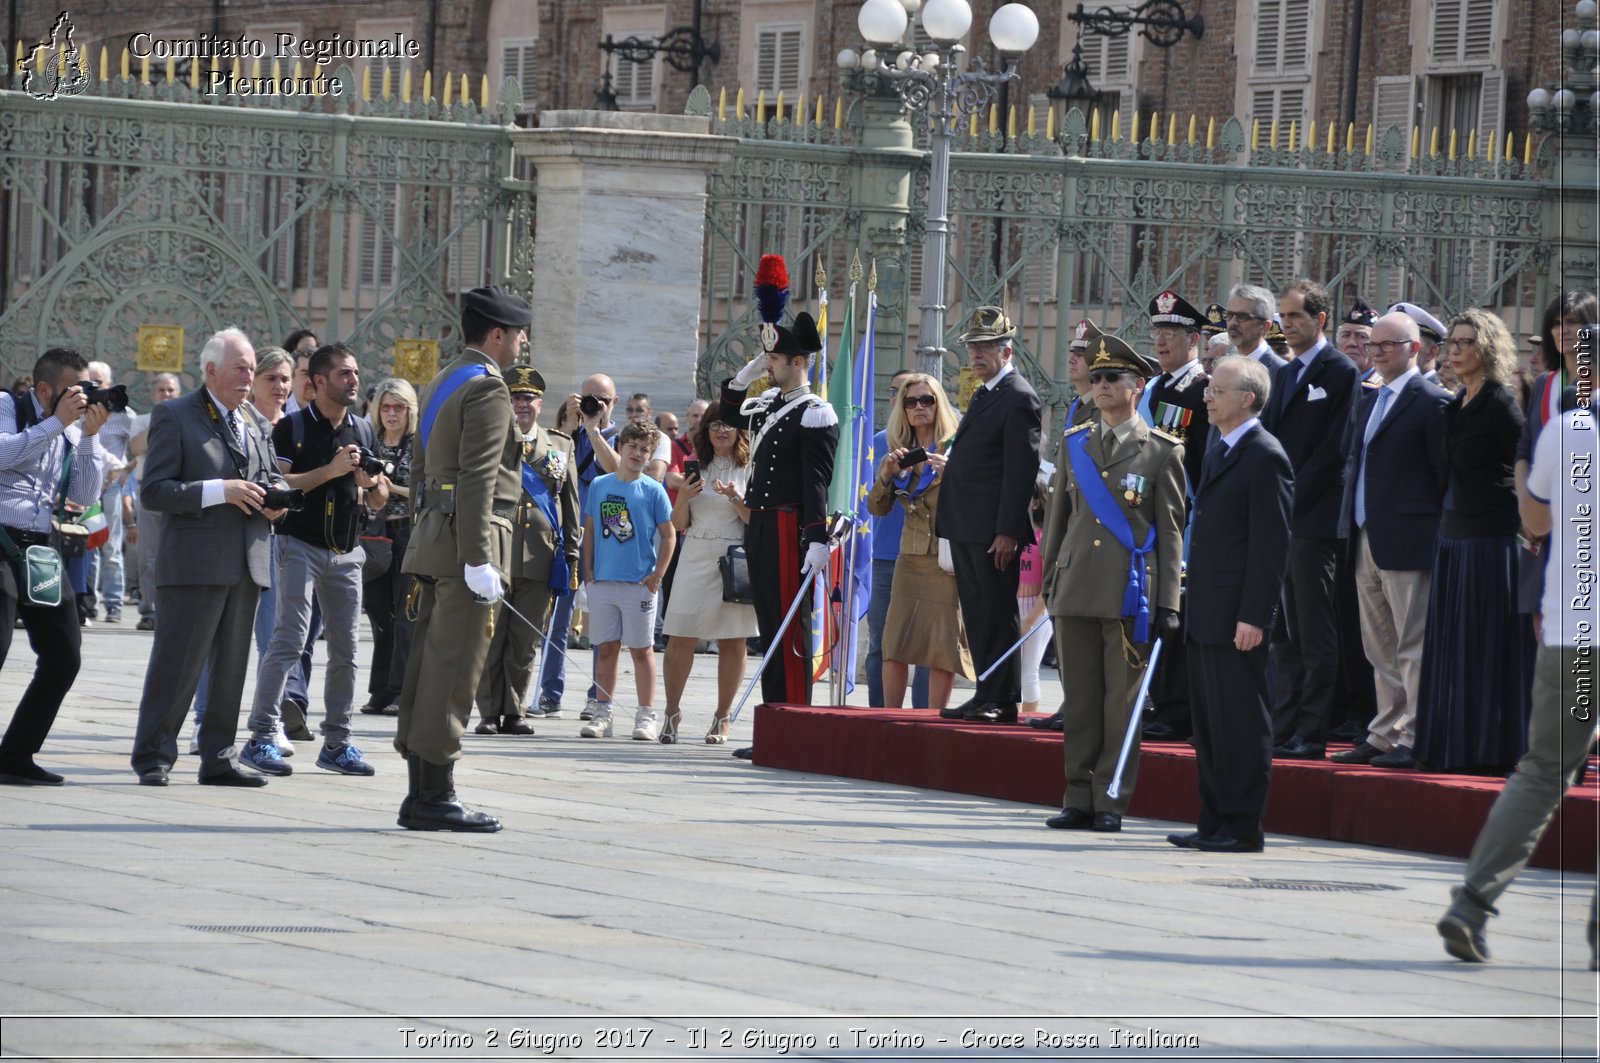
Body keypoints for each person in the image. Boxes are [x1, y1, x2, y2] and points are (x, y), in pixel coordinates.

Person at [1437, 390, 1598, 968]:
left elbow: (1534, 519)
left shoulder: (1570, 428)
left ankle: (1472, 904)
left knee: (1543, 770)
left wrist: (1528, 462)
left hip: (1575, 632)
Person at [394, 285, 530, 833]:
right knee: (454, 673)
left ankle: (420, 792)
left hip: (433, 539)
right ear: (497, 335)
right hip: (470, 544)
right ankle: (436, 795)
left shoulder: (444, 381)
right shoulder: (490, 389)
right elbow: (477, 477)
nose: (521, 344)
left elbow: (421, 473)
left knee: (429, 667)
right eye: (518, 334)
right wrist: (479, 557)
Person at [1040, 334, 1185, 833]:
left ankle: (1110, 800)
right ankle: (1077, 796)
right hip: (1076, 585)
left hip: (1130, 593)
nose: (1100, 386)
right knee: (1079, 702)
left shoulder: (1162, 452)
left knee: (1119, 704)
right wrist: (1049, 581)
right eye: (1096, 378)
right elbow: (1059, 520)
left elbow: (1169, 533)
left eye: (1112, 378)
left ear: (1136, 386)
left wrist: (1168, 601)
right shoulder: (1074, 443)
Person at [129, 329, 286, 788]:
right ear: (211, 370)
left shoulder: (254, 420)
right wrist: (221, 491)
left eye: (252, 369)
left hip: (247, 561)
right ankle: (154, 756)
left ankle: (218, 758)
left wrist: (276, 501)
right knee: (177, 665)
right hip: (194, 565)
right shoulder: (174, 415)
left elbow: (269, 475)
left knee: (232, 668)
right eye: (240, 368)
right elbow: (154, 491)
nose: (249, 377)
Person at [242, 343, 389, 779]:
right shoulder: (291, 428)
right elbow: (278, 483)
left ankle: (338, 742)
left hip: (347, 550)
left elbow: (377, 496)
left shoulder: (362, 429)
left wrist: (372, 483)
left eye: (356, 372)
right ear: (318, 382)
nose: (354, 380)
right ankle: (262, 736)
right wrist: (330, 470)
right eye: (344, 373)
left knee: (346, 651)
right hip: (298, 545)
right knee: (289, 639)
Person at [1167, 354, 1293, 853]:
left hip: (1237, 617)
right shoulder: (1221, 447)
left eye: (1217, 390)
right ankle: (1213, 819)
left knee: (1240, 722)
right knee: (1212, 725)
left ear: (1246, 398)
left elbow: (1270, 544)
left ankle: (1242, 827)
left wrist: (1254, 616)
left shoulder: (1265, 454)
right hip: (1207, 612)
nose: (1207, 397)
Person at [1329, 312, 1451, 768]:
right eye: (1374, 345)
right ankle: (1384, 732)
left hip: (1409, 540)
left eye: (1388, 345)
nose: (1376, 352)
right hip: (1366, 535)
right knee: (1377, 642)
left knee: (1411, 642)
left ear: (1415, 349)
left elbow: (1442, 478)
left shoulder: (1432, 400)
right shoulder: (1370, 398)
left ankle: (1415, 735)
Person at [1414, 308, 1533, 774]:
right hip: (1453, 539)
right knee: (1453, 651)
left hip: (1490, 544)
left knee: (1486, 652)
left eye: (1466, 342)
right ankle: (1453, 746)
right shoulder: (1455, 402)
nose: (1456, 350)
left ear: (1486, 348)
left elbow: (1524, 468)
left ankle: (1491, 750)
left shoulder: (1501, 403)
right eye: (1453, 343)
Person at [720, 300, 839, 728]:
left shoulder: (815, 413)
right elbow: (728, 414)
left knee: (789, 628)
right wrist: (742, 378)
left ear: (799, 361)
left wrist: (816, 537)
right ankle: (775, 722)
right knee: (770, 623)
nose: (767, 364)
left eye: (773, 358)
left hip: (790, 525)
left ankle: (793, 723)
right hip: (762, 523)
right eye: (765, 357)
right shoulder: (770, 402)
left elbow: (816, 482)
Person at [0, 347, 109, 785]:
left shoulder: (69, 428)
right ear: (45, 389)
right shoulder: (8, 407)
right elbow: (4, 455)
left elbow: (84, 494)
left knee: (64, 656)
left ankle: (15, 754)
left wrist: (89, 436)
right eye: (73, 392)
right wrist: (57, 423)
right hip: (1, 537)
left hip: (41, 546)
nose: (80, 400)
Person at [1261, 279, 1359, 760]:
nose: (1287, 323)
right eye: (1283, 315)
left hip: (1316, 521)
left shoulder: (1340, 371)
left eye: (1296, 315)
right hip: (1281, 520)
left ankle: (1313, 730)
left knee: (1315, 631)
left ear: (1321, 319)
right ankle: (1285, 724)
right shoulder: (1283, 373)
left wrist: (1290, 495)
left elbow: (1334, 451)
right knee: (1285, 631)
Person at [935, 306, 1041, 724]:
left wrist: (1008, 531)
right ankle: (985, 691)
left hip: (992, 531)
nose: (976, 356)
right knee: (978, 615)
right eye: (973, 348)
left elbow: (1020, 473)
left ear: (1007, 350)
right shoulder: (986, 392)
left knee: (997, 613)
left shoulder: (1019, 396)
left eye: (985, 348)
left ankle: (1003, 698)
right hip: (967, 524)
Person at [189, 347, 294, 754]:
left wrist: (279, 498)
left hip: (268, 542)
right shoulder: (229, 419)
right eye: (270, 378)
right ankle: (204, 723)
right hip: (226, 542)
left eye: (284, 379)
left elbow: (272, 477)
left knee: (273, 638)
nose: (279, 387)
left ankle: (267, 723)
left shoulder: (268, 425)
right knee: (215, 640)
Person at [474, 366, 579, 735]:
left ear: (540, 403)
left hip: (540, 556)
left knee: (525, 640)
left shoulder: (560, 446)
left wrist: (572, 558)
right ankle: (488, 711)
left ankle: (515, 709)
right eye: (515, 397)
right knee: (491, 636)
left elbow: (570, 507)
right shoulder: (490, 440)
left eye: (528, 398)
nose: (522, 405)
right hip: (495, 554)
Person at [866, 373, 973, 713]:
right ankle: (889, 719)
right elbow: (876, 508)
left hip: (945, 560)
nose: (919, 407)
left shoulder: (957, 446)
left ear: (939, 404)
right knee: (893, 644)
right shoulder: (900, 450)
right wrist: (885, 476)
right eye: (911, 402)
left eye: (927, 400)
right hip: (909, 558)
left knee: (941, 649)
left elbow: (978, 500)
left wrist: (952, 474)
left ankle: (933, 720)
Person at [661, 401, 758, 742]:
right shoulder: (695, 465)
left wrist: (736, 499)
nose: (721, 430)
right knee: (680, 636)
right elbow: (679, 523)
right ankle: (671, 713)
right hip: (696, 553)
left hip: (734, 557)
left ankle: (722, 717)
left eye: (728, 424)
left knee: (733, 641)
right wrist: (683, 497)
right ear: (706, 429)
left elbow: (754, 523)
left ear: (739, 430)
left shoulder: (750, 467)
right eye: (715, 424)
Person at [577, 420, 675, 740]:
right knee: (606, 647)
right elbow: (590, 530)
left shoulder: (653, 489)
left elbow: (668, 534)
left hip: (638, 583)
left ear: (650, 455)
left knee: (641, 649)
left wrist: (657, 574)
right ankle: (602, 711)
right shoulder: (600, 485)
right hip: (603, 579)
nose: (637, 453)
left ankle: (645, 715)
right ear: (620, 447)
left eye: (644, 449)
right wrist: (588, 570)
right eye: (632, 446)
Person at [539, 373, 621, 721]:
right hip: (568, 534)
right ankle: (549, 693)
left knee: (602, 623)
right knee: (557, 617)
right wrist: (571, 428)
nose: (595, 404)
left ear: (613, 403)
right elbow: (550, 475)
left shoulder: (619, 436)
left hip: (606, 533)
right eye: (589, 397)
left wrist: (593, 430)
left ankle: (598, 697)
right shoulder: (564, 437)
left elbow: (615, 469)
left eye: (602, 399)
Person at [866, 369, 931, 710]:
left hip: (930, 557)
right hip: (887, 554)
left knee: (928, 647)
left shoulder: (944, 446)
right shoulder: (880, 442)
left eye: (924, 399)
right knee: (880, 643)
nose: (912, 404)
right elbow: (872, 502)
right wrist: (888, 475)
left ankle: (924, 720)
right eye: (903, 396)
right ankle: (880, 717)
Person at [364, 377, 423, 718]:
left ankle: (402, 690)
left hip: (407, 532)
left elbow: (422, 489)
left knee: (406, 616)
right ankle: (380, 690)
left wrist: (389, 488)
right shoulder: (370, 441)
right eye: (385, 407)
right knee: (378, 613)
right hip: (373, 532)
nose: (391, 414)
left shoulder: (418, 445)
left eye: (398, 407)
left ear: (409, 410)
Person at [129, 371, 181, 631]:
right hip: (147, 492)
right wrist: (161, 421)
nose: (166, 394)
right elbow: (137, 447)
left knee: (178, 555)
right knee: (148, 556)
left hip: (177, 493)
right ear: (153, 394)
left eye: (171, 390)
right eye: (161, 390)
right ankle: (149, 610)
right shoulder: (141, 421)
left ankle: (173, 610)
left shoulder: (186, 421)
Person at [83, 360, 134, 624]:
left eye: (99, 383)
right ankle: (89, 603)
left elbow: (145, 443)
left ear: (110, 385)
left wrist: (125, 471)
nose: (95, 389)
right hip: (86, 488)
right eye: (90, 383)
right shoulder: (79, 410)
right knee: (88, 546)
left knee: (111, 547)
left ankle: (113, 604)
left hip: (112, 489)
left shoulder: (125, 415)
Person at [1225, 284, 1288, 373]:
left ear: (1264, 326)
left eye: (1242, 316)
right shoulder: (1224, 367)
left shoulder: (1281, 372)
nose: (1233, 322)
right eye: (1229, 315)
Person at [1389, 302, 1447, 384]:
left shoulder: (1439, 395)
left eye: (1406, 344)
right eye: (1391, 343)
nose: (1395, 350)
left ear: (1431, 352)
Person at [1336, 299, 1379, 383]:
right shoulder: (1328, 381)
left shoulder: (1384, 388)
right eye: (1346, 335)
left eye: (1361, 336)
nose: (1351, 343)